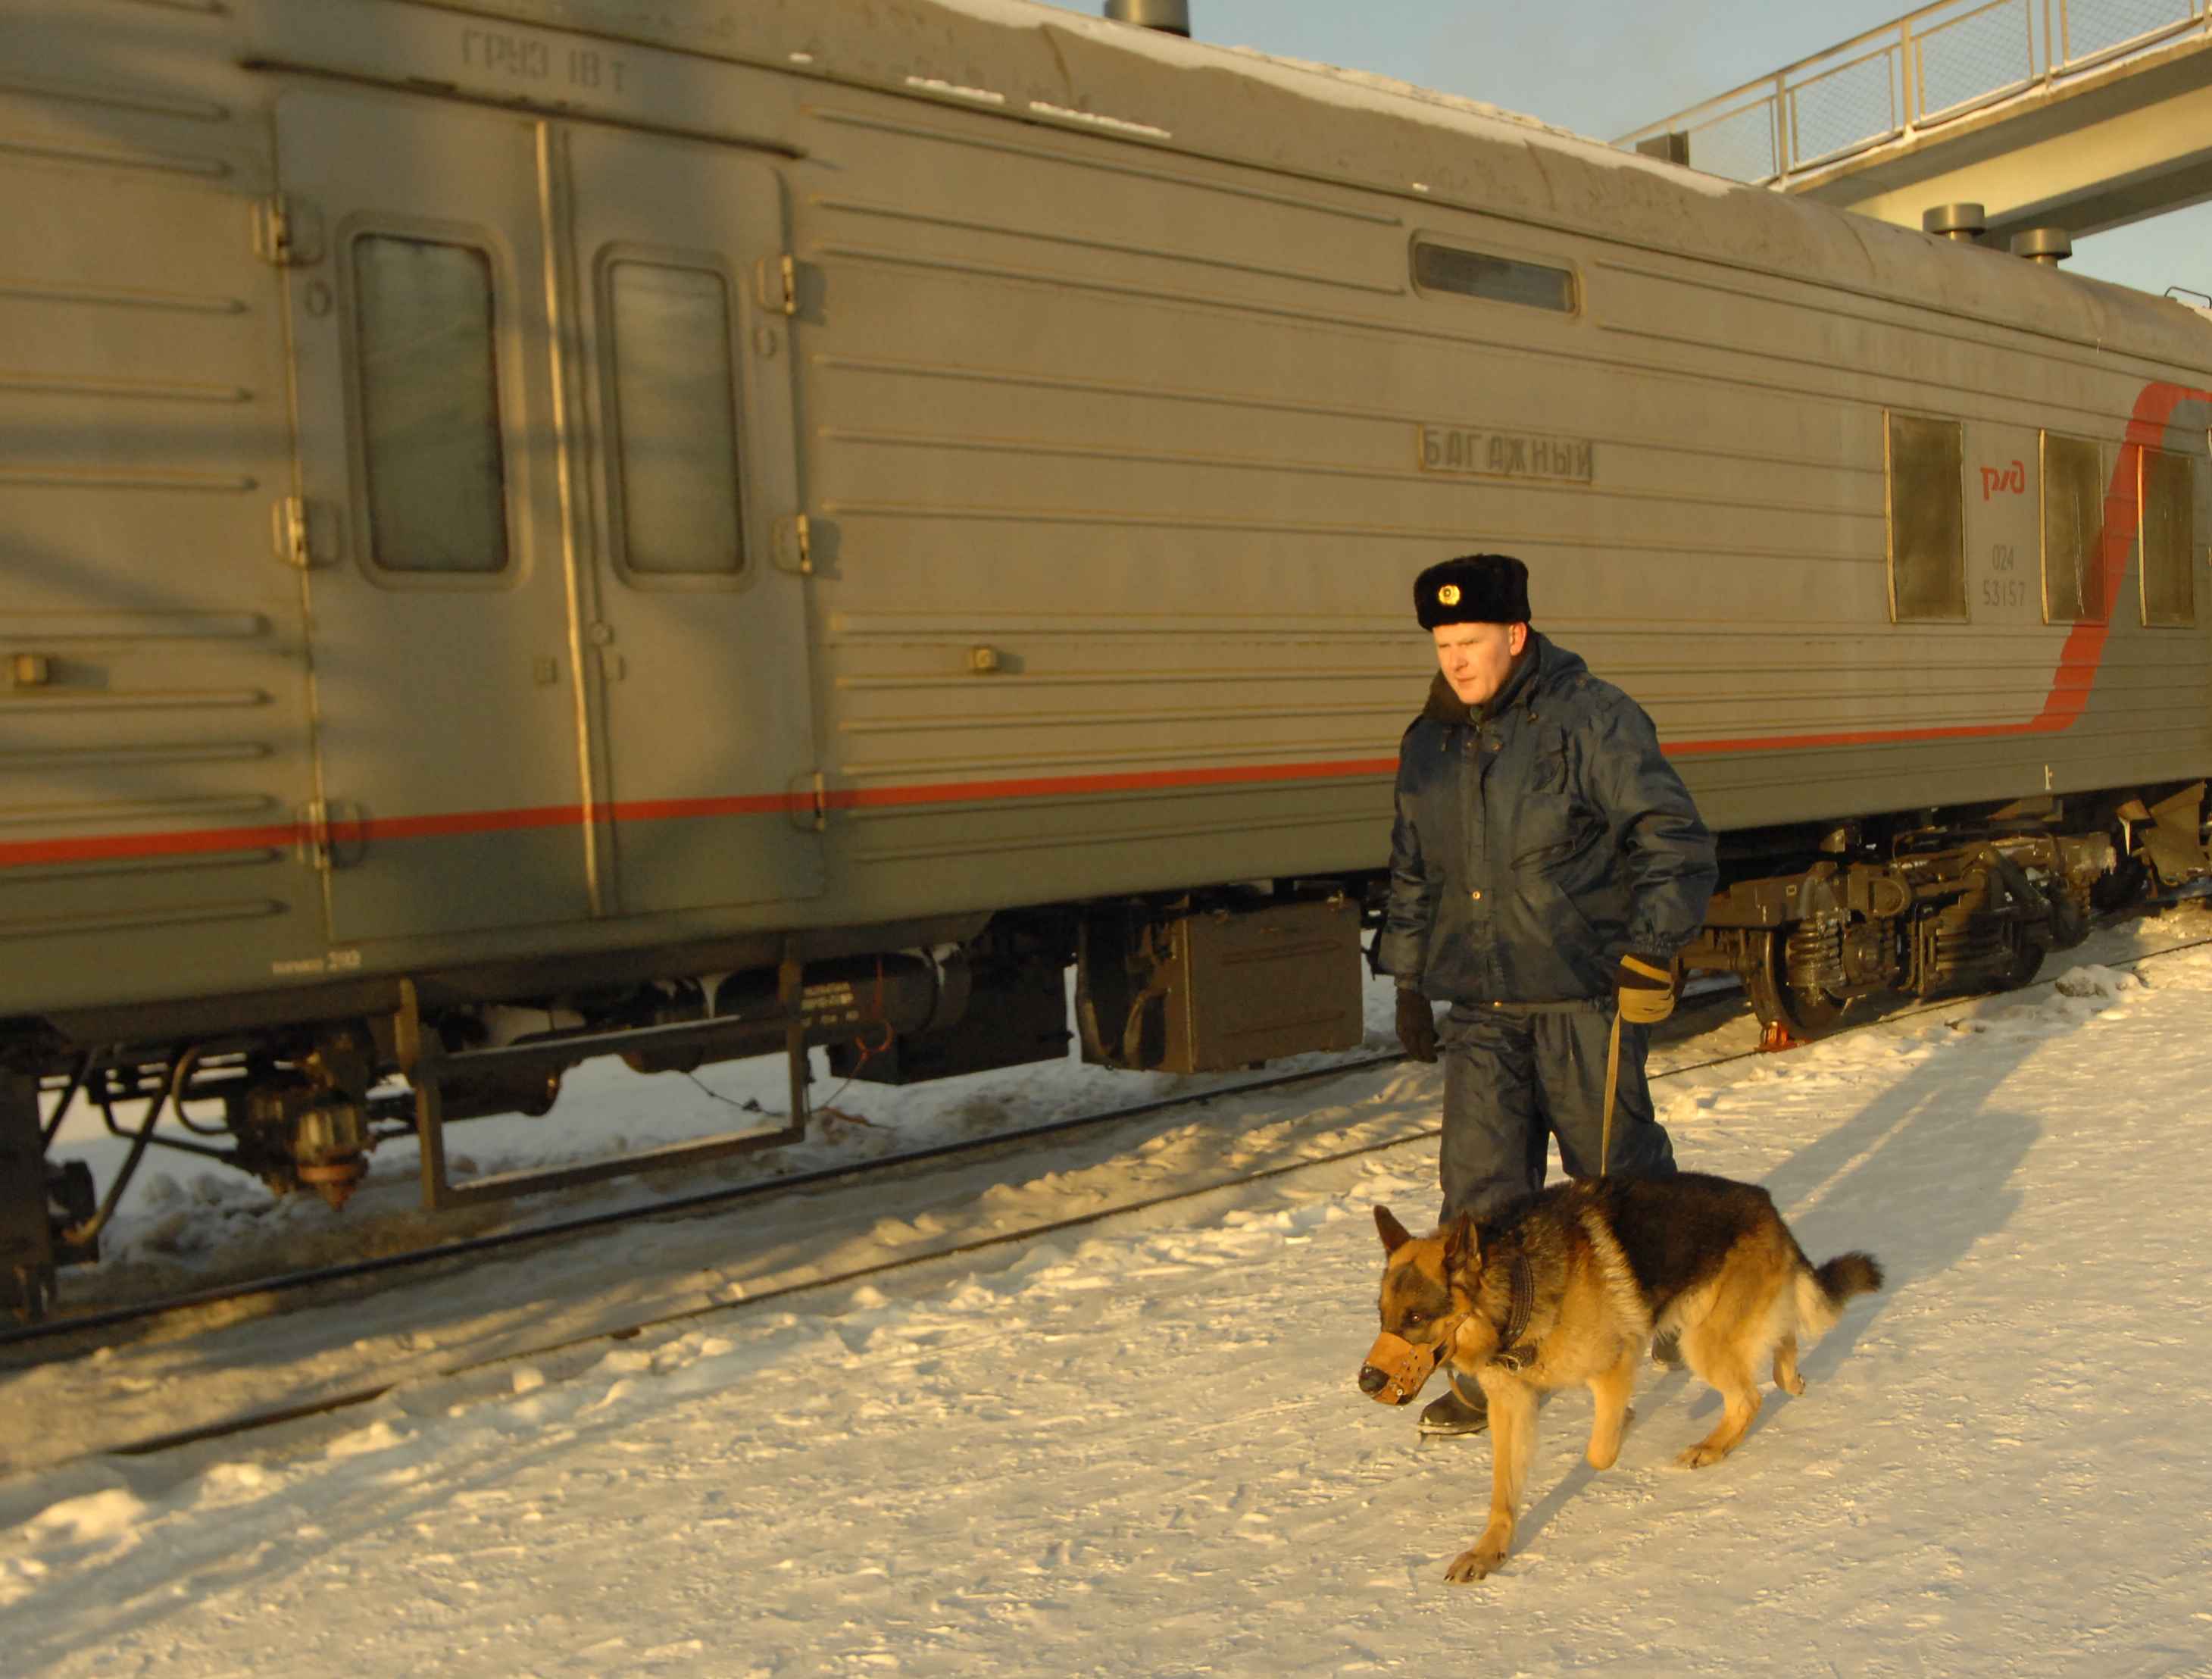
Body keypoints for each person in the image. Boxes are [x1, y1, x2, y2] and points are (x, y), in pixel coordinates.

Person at [1376, 553, 1718, 1436]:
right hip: (1483, 1006)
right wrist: (1410, 977)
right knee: (1477, 1205)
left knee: (1614, 1179)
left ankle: (1668, 1308)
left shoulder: (1590, 718)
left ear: (1515, 635)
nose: (1455, 659)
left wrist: (1652, 948)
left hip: (1579, 995)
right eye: (1444, 643)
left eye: (1471, 641)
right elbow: (1415, 868)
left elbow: (1669, 834)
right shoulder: (1428, 741)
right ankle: (1484, 1368)